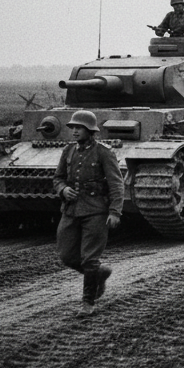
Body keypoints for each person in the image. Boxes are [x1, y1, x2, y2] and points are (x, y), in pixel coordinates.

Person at [53, 109, 124, 317]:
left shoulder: (103, 152)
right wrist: (63, 189)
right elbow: (58, 178)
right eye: (73, 127)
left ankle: (88, 303)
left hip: (96, 211)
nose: (75, 131)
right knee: (67, 256)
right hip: (71, 210)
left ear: (90, 130)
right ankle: (100, 274)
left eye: (79, 128)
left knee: (89, 259)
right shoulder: (68, 151)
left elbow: (116, 183)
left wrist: (115, 211)